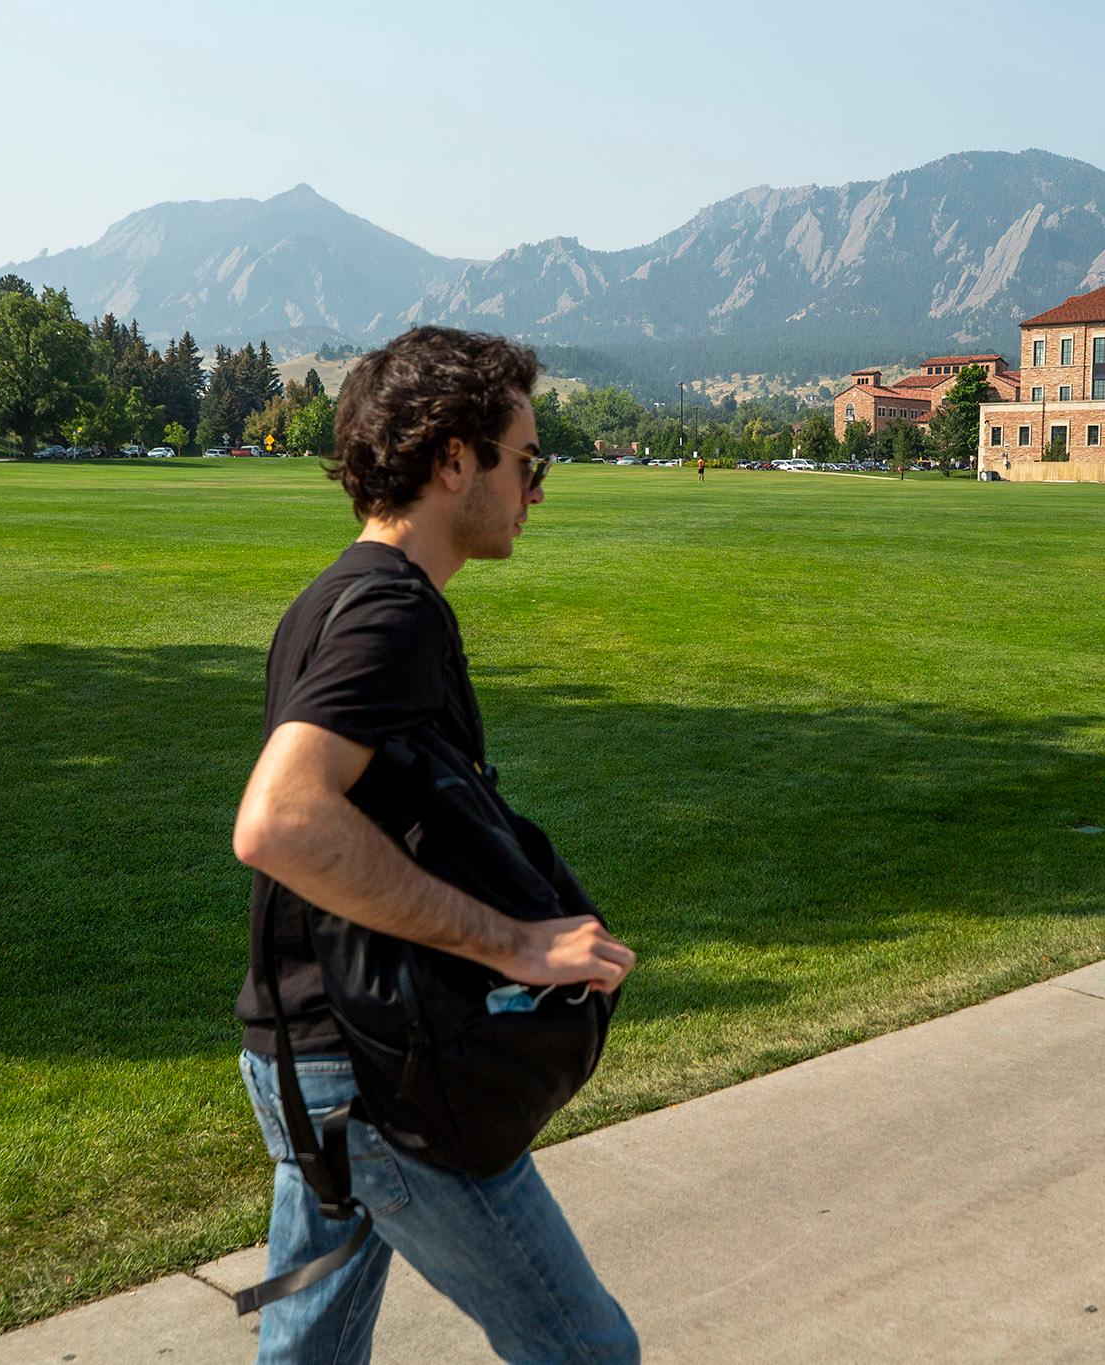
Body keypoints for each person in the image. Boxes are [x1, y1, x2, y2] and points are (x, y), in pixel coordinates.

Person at [232, 326, 640, 1363]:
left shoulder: (336, 597)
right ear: (453, 457)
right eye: (525, 461)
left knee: (308, 1347)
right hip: (376, 1079)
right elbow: (281, 820)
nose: (535, 489)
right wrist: (512, 944)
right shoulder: (387, 613)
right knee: (584, 1350)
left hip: (314, 1055)